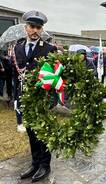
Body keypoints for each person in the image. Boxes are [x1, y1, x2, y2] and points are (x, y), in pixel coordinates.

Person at [13, 10, 57, 182]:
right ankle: (35, 162)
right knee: (31, 132)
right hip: (25, 98)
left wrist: (52, 100)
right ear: (26, 27)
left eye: (38, 27)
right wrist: (17, 97)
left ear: (42, 29)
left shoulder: (49, 49)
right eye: (32, 26)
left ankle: (44, 165)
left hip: (42, 99)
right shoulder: (17, 48)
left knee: (43, 133)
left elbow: (55, 76)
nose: (35, 30)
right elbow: (15, 75)